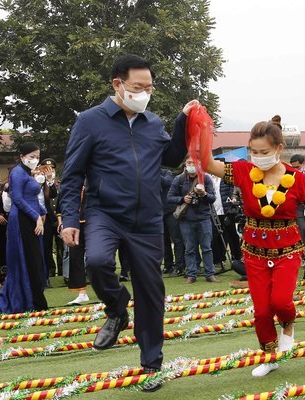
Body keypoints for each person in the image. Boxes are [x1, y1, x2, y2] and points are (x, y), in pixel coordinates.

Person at [59, 54, 194, 392]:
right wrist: (70, 219)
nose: (145, 93)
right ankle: (117, 308)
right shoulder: (90, 121)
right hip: (105, 212)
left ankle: (151, 364)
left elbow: (172, 158)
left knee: (151, 291)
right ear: (117, 84)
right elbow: (72, 174)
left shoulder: (152, 123)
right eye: (138, 87)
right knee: (98, 261)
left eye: (149, 87)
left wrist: (183, 120)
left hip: (147, 219)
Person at [201, 116, 305, 377]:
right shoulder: (244, 171)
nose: (258, 157)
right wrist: (197, 125)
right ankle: (269, 356)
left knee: (280, 302)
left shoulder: (297, 179)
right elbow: (206, 163)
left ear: (279, 149)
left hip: (287, 251)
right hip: (254, 251)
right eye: (253, 152)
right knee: (262, 310)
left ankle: (288, 327)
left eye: (264, 152)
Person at [0, 142, 49, 313]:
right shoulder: (17, 172)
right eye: (32, 156)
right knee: (29, 260)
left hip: (33, 218)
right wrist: (36, 217)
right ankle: (33, 302)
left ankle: (37, 300)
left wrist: (42, 212)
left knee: (37, 260)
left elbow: (33, 197)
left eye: (37, 157)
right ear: (22, 156)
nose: (35, 160)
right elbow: (17, 199)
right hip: (21, 220)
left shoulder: (27, 172)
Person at [167, 155, 218, 283]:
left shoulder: (205, 178)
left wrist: (204, 194)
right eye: (189, 163)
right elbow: (170, 197)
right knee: (189, 248)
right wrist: (182, 199)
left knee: (207, 247)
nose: (192, 165)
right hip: (186, 219)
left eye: (194, 163)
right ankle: (191, 275)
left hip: (204, 218)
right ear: (185, 165)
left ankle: (210, 274)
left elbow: (212, 198)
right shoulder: (179, 179)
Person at [160, 167, 184, 276]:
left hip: (170, 211)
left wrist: (154, 174)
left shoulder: (167, 172)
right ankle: (168, 265)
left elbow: (167, 182)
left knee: (177, 239)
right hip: (158, 212)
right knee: (164, 241)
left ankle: (180, 265)